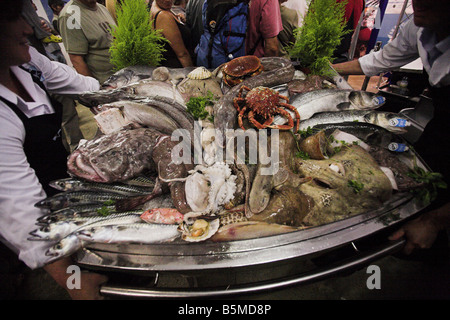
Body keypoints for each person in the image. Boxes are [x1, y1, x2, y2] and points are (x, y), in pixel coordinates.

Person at [0, 0, 108, 299]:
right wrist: (74, 282)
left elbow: (83, 84)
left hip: (62, 203)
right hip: (36, 240)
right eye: (13, 20)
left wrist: (132, 91)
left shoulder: (28, 62)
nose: (27, 28)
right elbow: (22, 215)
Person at [333, 0, 450, 255]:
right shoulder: (420, 26)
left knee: (427, 230)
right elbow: (378, 61)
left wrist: (436, 220)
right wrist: (326, 70)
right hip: (440, 127)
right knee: (417, 184)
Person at [58, 0, 116, 84]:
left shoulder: (102, 8)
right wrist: (96, 89)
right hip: (105, 82)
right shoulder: (70, 16)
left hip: (121, 77)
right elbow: (76, 59)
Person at [149, 0, 194, 68]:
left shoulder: (156, 7)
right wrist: (191, 73)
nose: (168, 0)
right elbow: (182, 54)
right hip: (177, 71)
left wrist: (180, 22)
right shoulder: (163, 16)